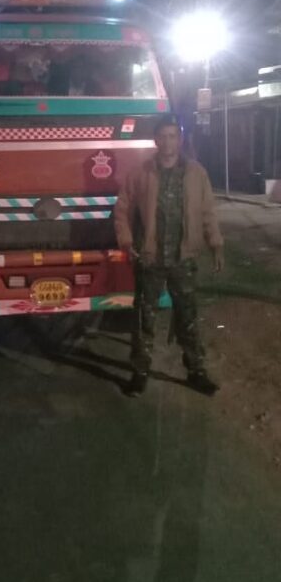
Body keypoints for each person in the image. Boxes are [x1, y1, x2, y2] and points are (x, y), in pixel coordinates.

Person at [114, 113, 224, 396]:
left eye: (172, 136)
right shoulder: (140, 173)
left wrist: (215, 244)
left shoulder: (197, 173)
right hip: (150, 258)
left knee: (188, 316)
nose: (167, 142)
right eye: (162, 136)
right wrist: (126, 241)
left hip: (183, 258)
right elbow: (122, 210)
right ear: (155, 140)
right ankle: (140, 372)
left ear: (180, 139)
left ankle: (196, 371)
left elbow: (208, 212)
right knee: (144, 319)